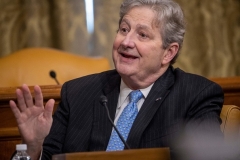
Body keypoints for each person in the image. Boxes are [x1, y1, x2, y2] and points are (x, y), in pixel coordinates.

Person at [10, 0, 225, 159]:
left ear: (168, 53)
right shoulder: (77, 93)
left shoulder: (196, 95)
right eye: (124, 29)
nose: (126, 41)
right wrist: (33, 147)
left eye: (142, 35)